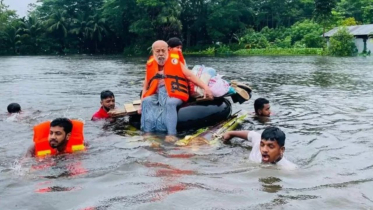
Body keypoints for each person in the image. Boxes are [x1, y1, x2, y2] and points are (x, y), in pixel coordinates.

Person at [140, 40, 213, 142]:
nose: (160, 54)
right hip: (158, 94)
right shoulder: (150, 65)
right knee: (147, 101)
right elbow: (145, 86)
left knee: (170, 103)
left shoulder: (176, 62)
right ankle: (148, 132)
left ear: (168, 50)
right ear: (153, 52)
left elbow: (190, 76)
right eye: (158, 51)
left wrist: (206, 88)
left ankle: (171, 134)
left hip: (175, 94)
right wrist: (141, 103)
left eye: (163, 51)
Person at [222, 127, 296, 169]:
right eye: (262, 145)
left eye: (270, 146)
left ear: (281, 150)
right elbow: (251, 134)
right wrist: (230, 133)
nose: (264, 150)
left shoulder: (288, 168)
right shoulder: (258, 142)